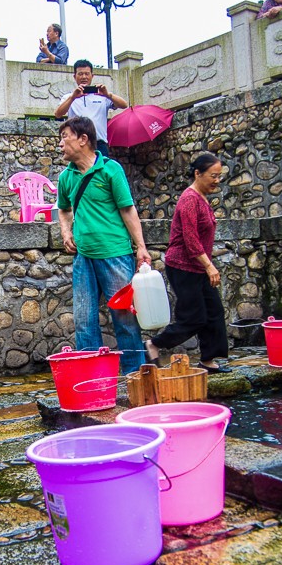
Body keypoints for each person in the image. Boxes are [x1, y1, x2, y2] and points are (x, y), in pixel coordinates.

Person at [56, 116, 150, 374]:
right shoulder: (66, 177)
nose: (60, 144)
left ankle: (134, 375)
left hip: (115, 254)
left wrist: (141, 247)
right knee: (84, 321)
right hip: (83, 258)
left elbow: (128, 209)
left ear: (83, 139)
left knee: (125, 319)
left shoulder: (111, 170)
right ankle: (93, 379)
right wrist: (66, 232)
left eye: (65, 137)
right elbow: (63, 209)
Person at [144, 153, 231, 374]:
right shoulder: (189, 199)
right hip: (183, 267)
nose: (217, 180)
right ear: (197, 174)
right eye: (213, 175)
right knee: (193, 318)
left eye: (219, 176)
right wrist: (210, 266)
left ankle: (208, 360)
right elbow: (191, 240)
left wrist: (206, 266)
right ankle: (154, 344)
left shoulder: (201, 197)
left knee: (214, 312)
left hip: (198, 266)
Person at [55, 59, 128, 158]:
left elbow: (124, 105)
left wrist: (108, 94)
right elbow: (58, 114)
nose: (84, 77)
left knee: (101, 173)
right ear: (74, 76)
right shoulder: (69, 97)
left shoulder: (102, 96)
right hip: (77, 143)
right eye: (80, 74)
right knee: (79, 172)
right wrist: (73, 97)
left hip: (99, 144)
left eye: (87, 74)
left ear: (92, 76)